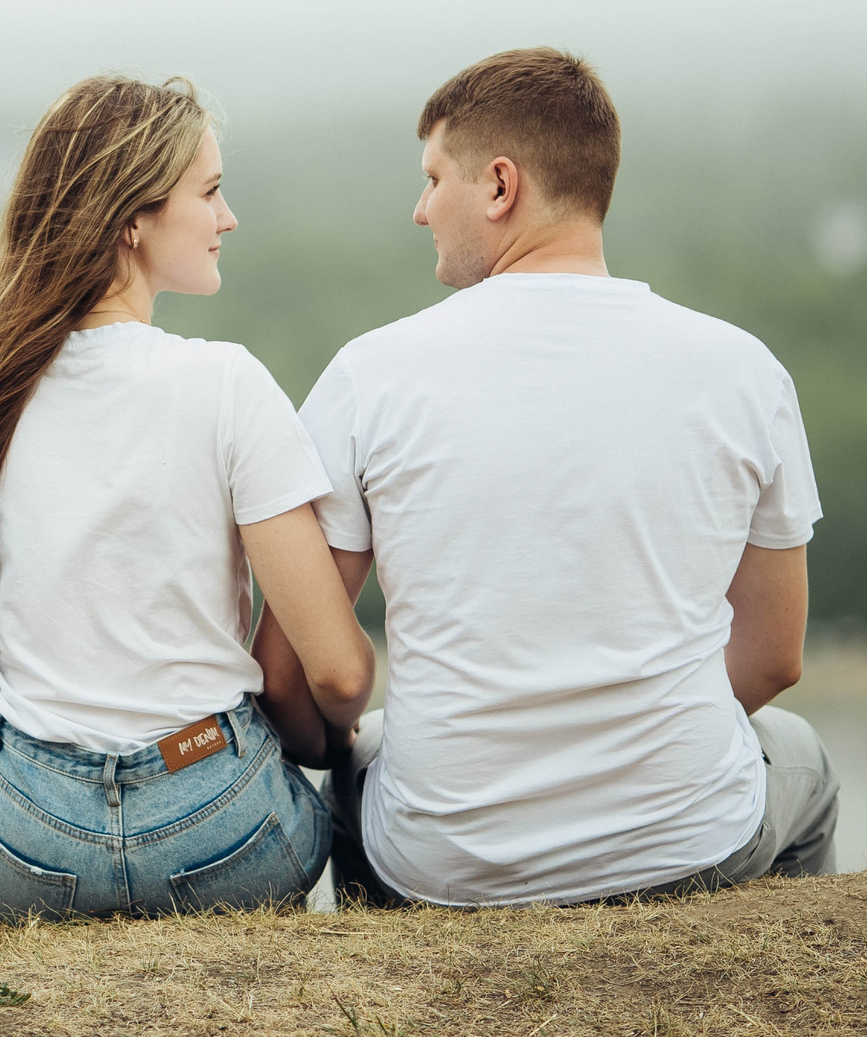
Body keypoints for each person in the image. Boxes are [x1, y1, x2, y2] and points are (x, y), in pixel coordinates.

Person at [259, 46, 838, 907]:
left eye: (433, 179)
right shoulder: (745, 370)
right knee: (804, 760)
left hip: (444, 862)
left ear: (500, 186)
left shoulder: (369, 374)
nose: (420, 209)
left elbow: (288, 671)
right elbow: (774, 658)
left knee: (362, 763)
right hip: (685, 837)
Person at [0, 74, 374, 919]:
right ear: (132, 220)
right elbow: (339, 670)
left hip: (20, 848)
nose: (228, 217)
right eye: (209, 191)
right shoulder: (227, 384)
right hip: (219, 836)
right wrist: (329, 739)